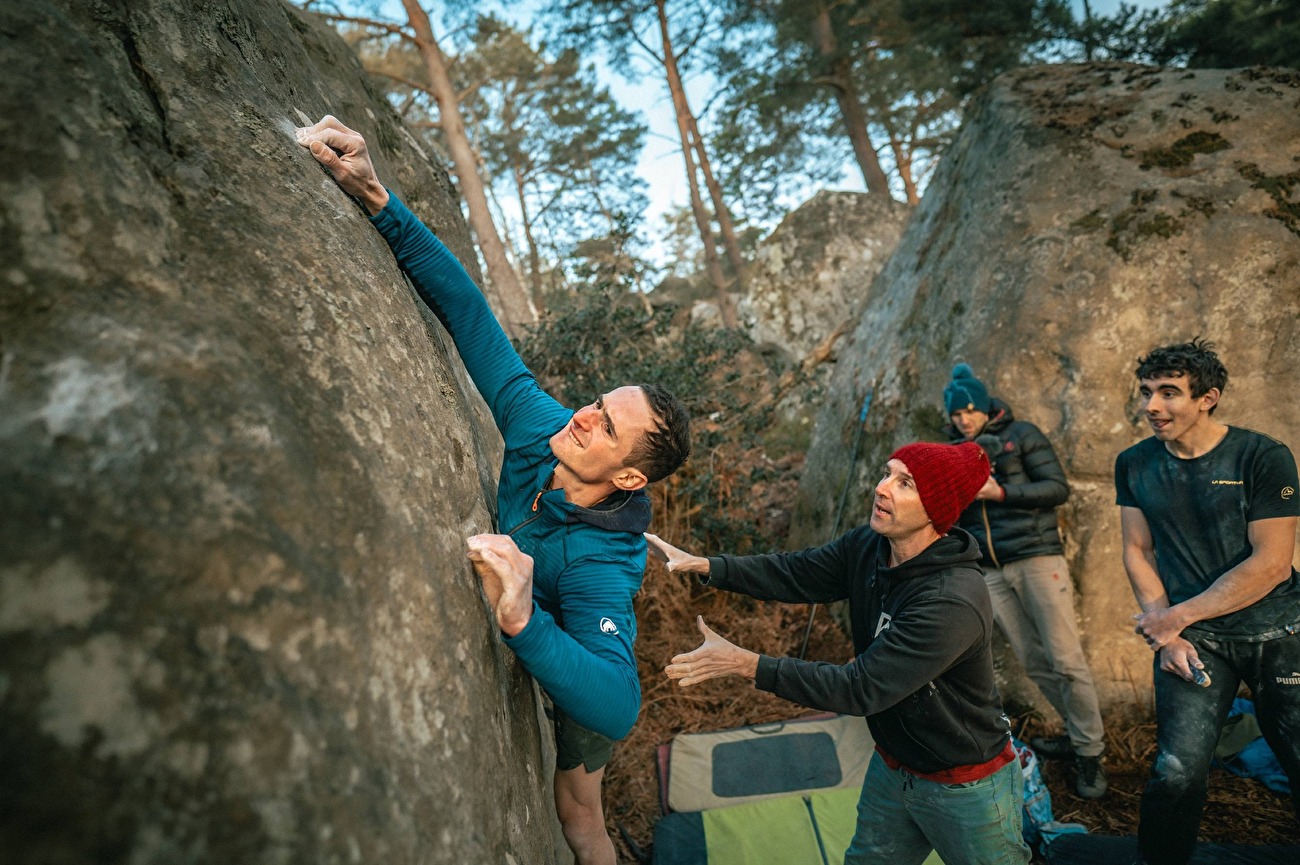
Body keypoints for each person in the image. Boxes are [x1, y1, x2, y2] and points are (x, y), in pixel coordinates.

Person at [295, 116, 691, 865]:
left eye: (605, 426)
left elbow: (617, 701)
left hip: (576, 664)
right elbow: (471, 316)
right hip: (547, 631)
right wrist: (378, 197)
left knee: (578, 820)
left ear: (631, 475)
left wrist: (520, 617)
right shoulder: (545, 430)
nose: (583, 415)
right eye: (597, 402)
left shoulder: (603, 563)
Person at [647, 442, 1032, 865]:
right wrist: (706, 566)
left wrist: (744, 663)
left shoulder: (950, 600)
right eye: (887, 473)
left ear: (937, 509)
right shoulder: (871, 546)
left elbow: (860, 688)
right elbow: (798, 573)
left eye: (905, 484)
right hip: (893, 764)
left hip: (964, 786)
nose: (882, 488)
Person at [1117, 338, 1300, 865]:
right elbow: (1137, 548)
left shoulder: (1263, 456)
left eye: (1169, 393)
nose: (1151, 406)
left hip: (1280, 634)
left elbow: (1271, 564)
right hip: (1196, 644)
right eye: (1147, 392)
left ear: (1208, 397)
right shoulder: (1134, 463)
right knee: (1175, 772)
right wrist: (1168, 633)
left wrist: (1174, 617)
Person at [943, 363, 1107, 799]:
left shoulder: (1023, 435)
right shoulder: (954, 451)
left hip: (1036, 559)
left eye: (971, 411)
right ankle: (1077, 734)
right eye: (957, 414)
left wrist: (1001, 494)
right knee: (1034, 661)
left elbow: (1056, 489)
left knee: (1066, 660)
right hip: (990, 572)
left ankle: (1091, 754)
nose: (964, 420)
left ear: (986, 406)